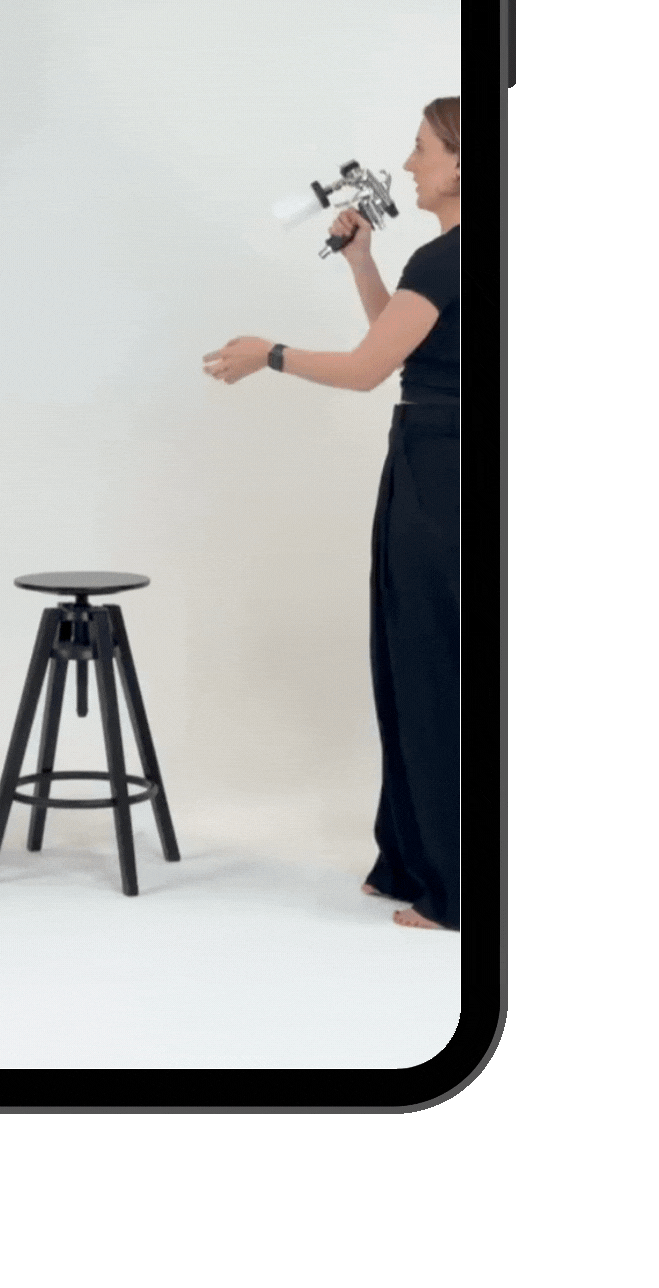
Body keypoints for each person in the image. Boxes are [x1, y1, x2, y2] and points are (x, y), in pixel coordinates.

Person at [203, 98, 460, 931]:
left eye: (422, 149)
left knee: (430, 666)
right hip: (442, 461)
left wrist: (266, 355)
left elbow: (364, 369)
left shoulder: (448, 258)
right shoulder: (453, 258)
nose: (410, 163)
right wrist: (362, 263)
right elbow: (404, 337)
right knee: (412, 657)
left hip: (440, 469)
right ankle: (409, 860)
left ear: (465, 161)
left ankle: (456, 888)